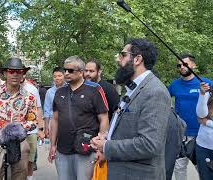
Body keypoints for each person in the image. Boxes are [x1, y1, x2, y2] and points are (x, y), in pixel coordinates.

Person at [91, 38, 171, 180]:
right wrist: (107, 137)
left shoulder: (154, 91)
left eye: (122, 54)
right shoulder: (133, 88)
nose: (118, 59)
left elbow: (149, 144)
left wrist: (107, 146)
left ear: (137, 59)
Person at [48, 56, 109, 180]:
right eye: (65, 70)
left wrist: (101, 146)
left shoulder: (95, 89)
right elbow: (54, 119)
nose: (66, 73)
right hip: (63, 149)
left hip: (86, 149)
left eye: (70, 71)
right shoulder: (59, 92)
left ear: (81, 72)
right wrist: (52, 145)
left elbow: (104, 118)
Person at [0, 57, 38, 180]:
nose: (15, 74)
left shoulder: (30, 97)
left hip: (19, 145)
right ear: (5, 73)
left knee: (19, 176)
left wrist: (20, 126)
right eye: (11, 71)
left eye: (19, 71)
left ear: (23, 74)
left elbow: (33, 121)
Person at [168, 54, 212, 180]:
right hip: (180, 134)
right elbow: (162, 100)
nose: (182, 67)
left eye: (185, 64)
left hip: (201, 135)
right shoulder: (175, 85)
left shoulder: (206, 83)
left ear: (193, 65)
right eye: (179, 65)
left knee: (203, 168)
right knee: (179, 167)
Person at [21, 74, 45, 179]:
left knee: (30, 159)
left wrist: (40, 129)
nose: (17, 74)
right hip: (13, 132)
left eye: (20, 72)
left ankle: (29, 177)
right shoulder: (6, 87)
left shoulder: (32, 89)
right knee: (14, 159)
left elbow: (38, 108)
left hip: (31, 130)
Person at [196, 82, 213, 180]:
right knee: (205, 177)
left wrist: (207, 123)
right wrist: (202, 94)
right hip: (204, 146)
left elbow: (203, 120)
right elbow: (201, 115)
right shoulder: (208, 94)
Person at [43, 67, 66, 137]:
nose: (57, 78)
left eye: (59, 76)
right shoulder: (49, 92)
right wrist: (46, 127)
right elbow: (46, 110)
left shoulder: (69, 89)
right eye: (55, 76)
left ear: (64, 76)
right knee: (53, 145)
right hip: (52, 122)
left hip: (66, 123)